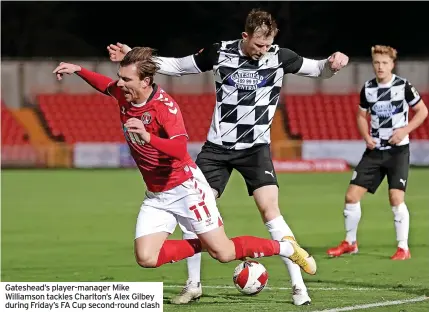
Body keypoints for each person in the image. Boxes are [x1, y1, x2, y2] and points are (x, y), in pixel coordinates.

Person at [107, 9, 348, 305]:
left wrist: (333, 63)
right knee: (190, 213)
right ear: (245, 36)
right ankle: (193, 284)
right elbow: (180, 66)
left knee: (270, 211)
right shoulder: (219, 52)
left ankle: (299, 286)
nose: (263, 51)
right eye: (258, 45)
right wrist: (137, 58)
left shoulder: (280, 56)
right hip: (217, 148)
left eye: (268, 44)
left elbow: (318, 69)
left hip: (256, 148)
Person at [52, 47, 317, 296]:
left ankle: (286, 247)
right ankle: (205, 242)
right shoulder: (124, 93)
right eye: (120, 78)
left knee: (224, 253)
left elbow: (180, 150)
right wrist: (78, 70)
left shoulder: (165, 108)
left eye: (125, 79)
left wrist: (148, 137)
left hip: (186, 188)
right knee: (147, 257)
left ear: (145, 81)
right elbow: (104, 85)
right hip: (157, 196)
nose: (119, 84)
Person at [327, 45, 428, 260]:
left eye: (384, 63)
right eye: (376, 62)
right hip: (374, 151)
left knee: (395, 197)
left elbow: (422, 111)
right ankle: (350, 243)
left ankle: (403, 248)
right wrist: (366, 136)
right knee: (351, 196)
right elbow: (361, 116)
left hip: (397, 151)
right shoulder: (368, 88)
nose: (380, 66)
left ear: (392, 64)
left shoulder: (403, 86)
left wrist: (404, 130)